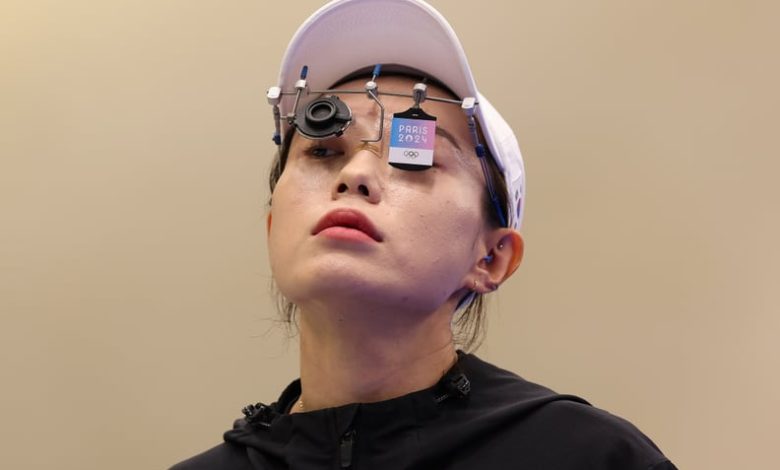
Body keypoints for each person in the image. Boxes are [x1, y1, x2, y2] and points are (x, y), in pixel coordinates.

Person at [171, 0, 677, 468]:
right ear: (273, 228)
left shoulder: (586, 456)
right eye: (323, 152)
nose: (356, 174)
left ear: (493, 258)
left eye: (414, 159)